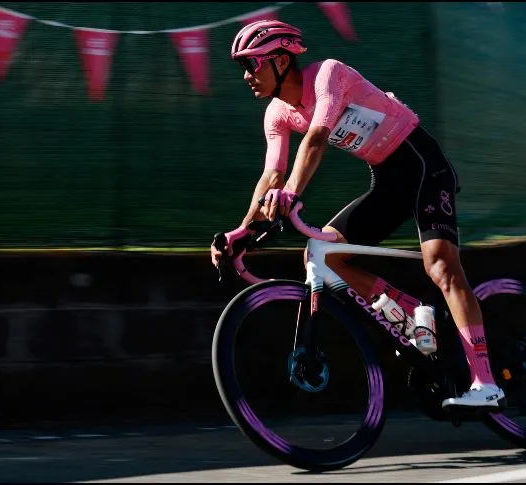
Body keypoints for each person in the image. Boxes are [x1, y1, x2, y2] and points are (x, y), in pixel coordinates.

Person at [210, 20, 506, 409]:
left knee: (441, 267)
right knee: (326, 255)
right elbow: (272, 174)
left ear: (281, 60)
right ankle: (416, 315)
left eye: (252, 64)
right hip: (387, 179)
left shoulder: (328, 75)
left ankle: (486, 384)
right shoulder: (276, 115)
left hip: (423, 166)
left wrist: (292, 195)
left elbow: (316, 138)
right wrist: (242, 231)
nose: (247, 76)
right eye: (243, 68)